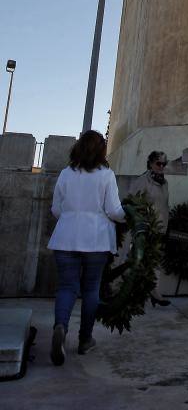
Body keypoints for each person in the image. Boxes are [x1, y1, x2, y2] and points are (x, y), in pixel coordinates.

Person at [48, 130, 125, 366]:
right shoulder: (106, 175)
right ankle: (85, 339)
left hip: (66, 237)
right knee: (91, 289)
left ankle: (60, 325)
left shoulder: (65, 174)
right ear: (102, 150)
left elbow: (56, 209)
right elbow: (113, 210)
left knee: (67, 287)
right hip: (96, 238)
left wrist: (71, 218)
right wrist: (127, 217)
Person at [131, 150, 171, 306]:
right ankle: (135, 294)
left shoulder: (165, 183)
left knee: (156, 261)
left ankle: (155, 292)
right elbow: (131, 201)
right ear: (150, 164)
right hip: (146, 227)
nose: (161, 166)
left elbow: (165, 205)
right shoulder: (142, 181)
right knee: (140, 260)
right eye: (158, 163)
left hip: (161, 227)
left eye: (164, 164)